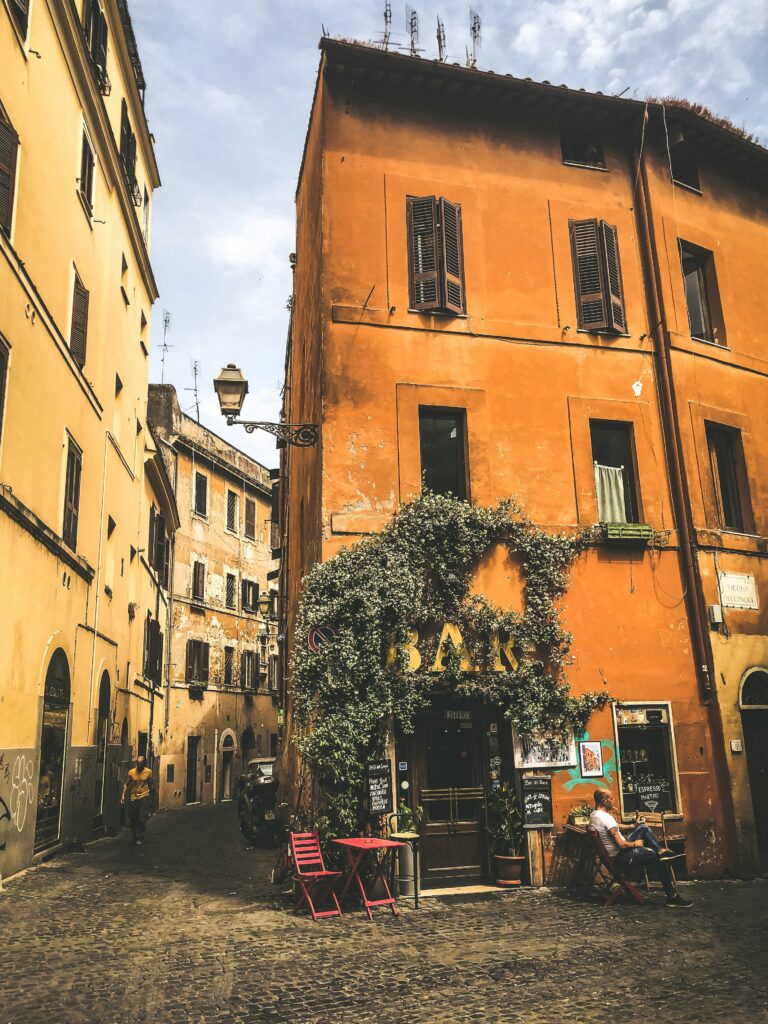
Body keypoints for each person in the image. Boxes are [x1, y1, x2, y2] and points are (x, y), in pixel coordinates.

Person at [590, 789, 692, 909]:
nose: (613, 801)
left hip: (615, 854)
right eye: (611, 798)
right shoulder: (606, 818)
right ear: (604, 800)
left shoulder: (595, 815)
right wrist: (635, 844)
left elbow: (615, 827)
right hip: (621, 856)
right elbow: (621, 844)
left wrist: (633, 826)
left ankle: (661, 851)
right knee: (657, 857)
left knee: (643, 828)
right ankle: (672, 896)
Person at [121, 755, 153, 846]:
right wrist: (123, 795)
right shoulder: (131, 772)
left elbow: (151, 785)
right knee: (133, 818)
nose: (139, 766)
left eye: (141, 764)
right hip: (133, 798)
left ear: (144, 764)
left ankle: (140, 836)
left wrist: (150, 799)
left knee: (141, 817)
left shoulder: (148, 772)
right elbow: (126, 784)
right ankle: (135, 834)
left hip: (144, 797)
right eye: (138, 764)